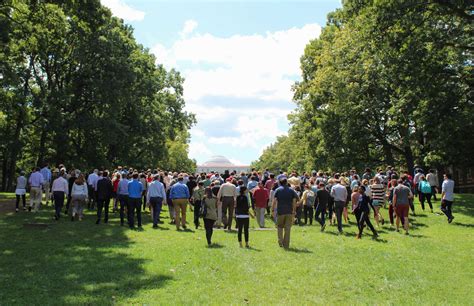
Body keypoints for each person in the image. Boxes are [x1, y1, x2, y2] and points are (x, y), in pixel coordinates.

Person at [272, 178, 299, 249]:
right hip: (289, 211)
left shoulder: (277, 190)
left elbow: (274, 201)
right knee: (287, 229)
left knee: (280, 227)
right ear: (286, 182)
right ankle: (286, 244)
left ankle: (280, 241)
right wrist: (294, 210)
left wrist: (272, 210)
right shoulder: (291, 190)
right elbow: (295, 200)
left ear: (280, 183)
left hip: (280, 211)